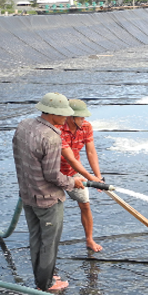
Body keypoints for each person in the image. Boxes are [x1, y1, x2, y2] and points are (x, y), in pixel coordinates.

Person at [12, 93, 84, 292]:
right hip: (48, 199)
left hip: (27, 194)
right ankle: (47, 284)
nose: (66, 118)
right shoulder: (52, 137)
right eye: (63, 115)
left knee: (35, 238)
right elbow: (53, 176)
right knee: (49, 242)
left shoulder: (24, 125)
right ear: (52, 114)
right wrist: (73, 181)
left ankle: (42, 276)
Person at [59, 99, 104, 252]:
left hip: (74, 171)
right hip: (54, 173)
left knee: (85, 204)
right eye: (81, 117)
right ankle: (49, 248)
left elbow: (90, 152)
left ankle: (89, 240)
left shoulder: (86, 127)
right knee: (53, 209)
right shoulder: (57, 129)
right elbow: (69, 158)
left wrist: (98, 177)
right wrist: (90, 178)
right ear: (70, 117)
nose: (84, 120)